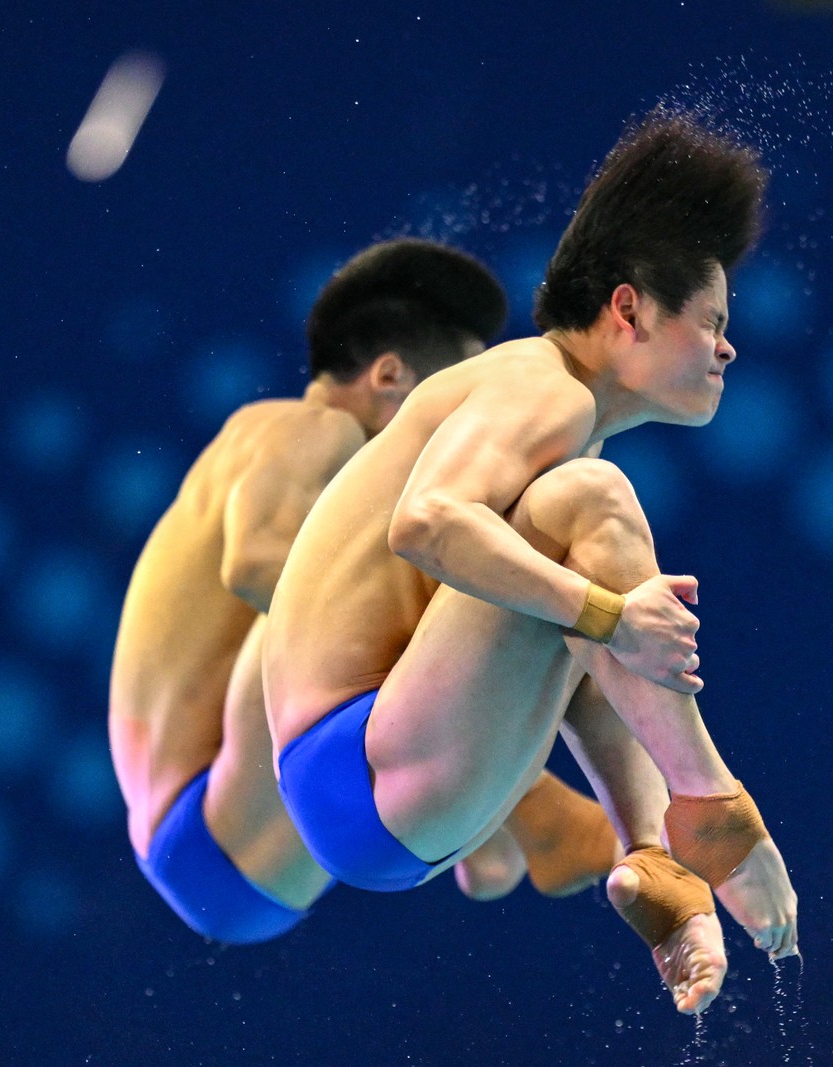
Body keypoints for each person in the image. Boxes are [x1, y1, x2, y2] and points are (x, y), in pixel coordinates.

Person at [263, 109, 799, 1014]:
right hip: (357, 761)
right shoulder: (544, 386)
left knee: (579, 574)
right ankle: (711, 804)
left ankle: (658, 859)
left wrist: (603, 617)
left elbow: (574, 635)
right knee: (590, 513)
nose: (727, 345)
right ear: (628, 309)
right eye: (712, 320)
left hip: (376, 780)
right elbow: (426, 522)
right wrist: (610, 615)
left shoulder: (549, 410)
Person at [109, 238, 620, 945]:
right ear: (389, 376)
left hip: (212, 842)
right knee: (410, 550)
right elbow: (255, 567)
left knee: (423, 553)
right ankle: (536, 813)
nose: (475, 422)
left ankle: (502, 825)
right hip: (207, 820)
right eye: (456, 396)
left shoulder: (278, 454)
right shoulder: (305, 425)